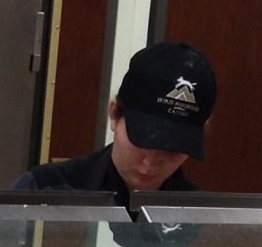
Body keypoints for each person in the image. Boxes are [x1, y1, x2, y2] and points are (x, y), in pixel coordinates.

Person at [17, 40, 215, 203]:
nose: (150, 162)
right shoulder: (43, 190)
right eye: (142, 140)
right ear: (114, 113)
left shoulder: (202, 219)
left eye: (172, 148)